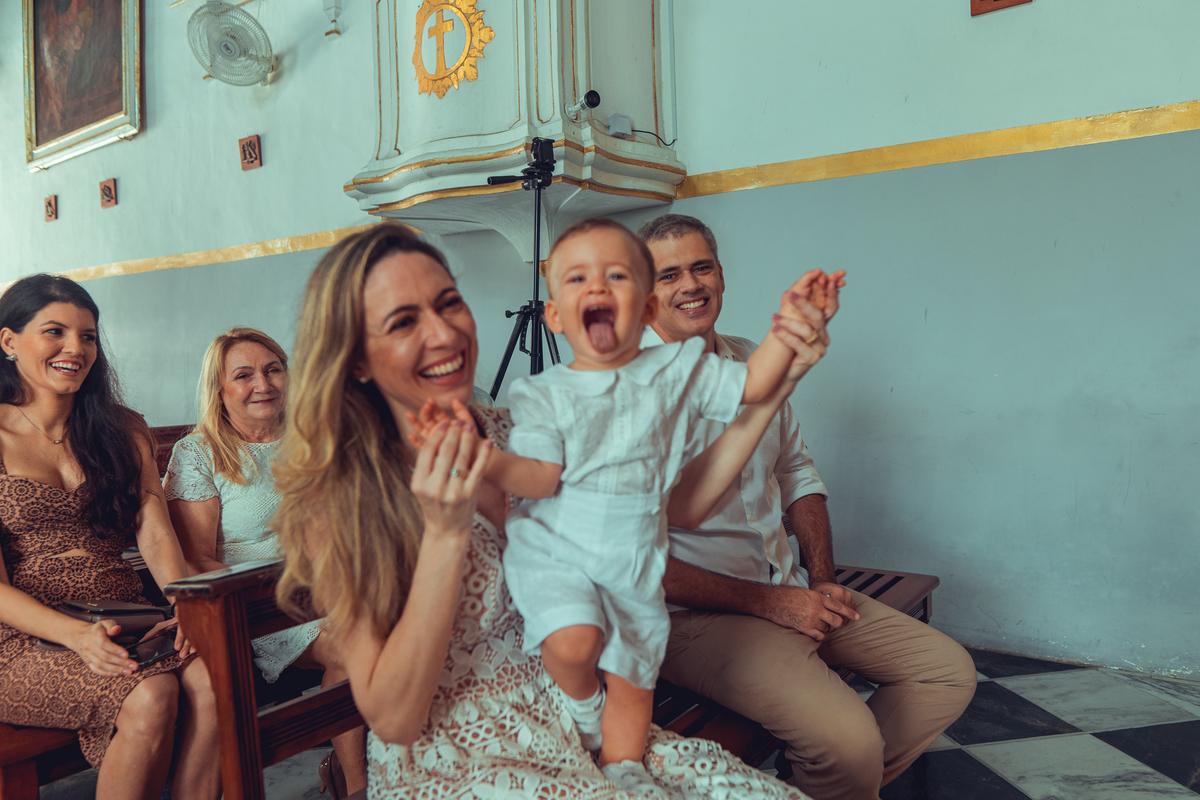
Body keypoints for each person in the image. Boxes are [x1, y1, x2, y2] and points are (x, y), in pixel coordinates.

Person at [270, 222, 818, 798]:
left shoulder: (521, 431)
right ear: (357, 359)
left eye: (448, 303)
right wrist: (445, 533)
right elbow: (394, 719)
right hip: (459, 762)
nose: (443, 333)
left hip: (583, 723)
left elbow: (679, 506)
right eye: (403, 322)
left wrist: (775, 387)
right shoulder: (342, 500)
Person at [637, 214, 977, 800]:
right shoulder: (632, 390)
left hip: (789, 585)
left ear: (721, 275)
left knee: (945, 673)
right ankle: (837, 778)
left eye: (701, 267)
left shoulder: (750, 357)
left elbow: (795, 471)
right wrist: (772, 604)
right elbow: (638, 559)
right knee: (850, 744)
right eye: (669, 275)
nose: (690, 285)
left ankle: (805, 790)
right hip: (693, 621)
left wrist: (820, 579)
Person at [0, 274, 220, 800]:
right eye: (54, 332)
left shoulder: (121, 428)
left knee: (218, 679)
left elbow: (155, 532)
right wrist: (76, 637)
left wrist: (184, 604)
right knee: (151, 695)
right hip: (22, 637)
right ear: (8, 341)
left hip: (126, 616)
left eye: (88, 336)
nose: (75, 349)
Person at [163, 327, 367, 796]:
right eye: (243, 375)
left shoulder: (311, 438)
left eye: (273, 370)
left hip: (332, 587)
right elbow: (195, 559)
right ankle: (358, 787)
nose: (264, 384)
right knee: (354, 648)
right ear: (219, 389)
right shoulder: (198, 452)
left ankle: (364, 770)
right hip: (256, 603)